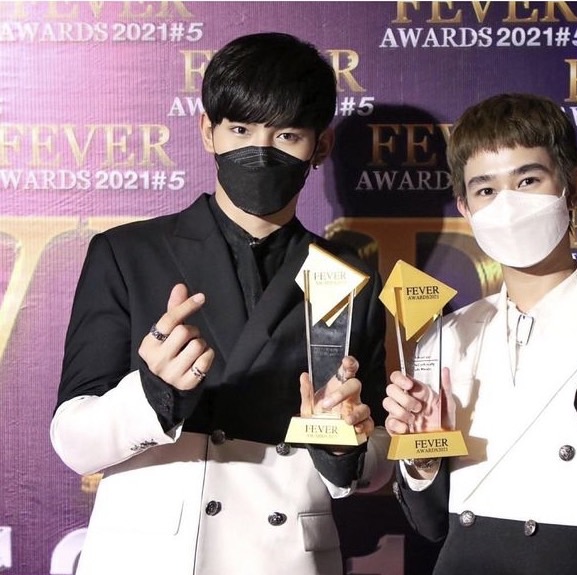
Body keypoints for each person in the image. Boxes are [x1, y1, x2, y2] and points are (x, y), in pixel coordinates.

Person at [50, 32, 392, 575]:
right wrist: (155, 391)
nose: (261, 150)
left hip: (283, 558)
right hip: (154, 557)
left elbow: (377, 461)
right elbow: (73, 441)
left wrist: (343, 441)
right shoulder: (128, 253)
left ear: (320, 147)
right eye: (240, 129)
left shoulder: (349, 276)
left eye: (287, 135)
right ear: (207, 131)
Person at [383, 93, 577, 574]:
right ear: (465, 208)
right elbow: (430, 527)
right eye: (486, 190)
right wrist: (423, 456)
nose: (508, 205)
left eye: (527, 180)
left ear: (571, 187)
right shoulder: (446, 336)